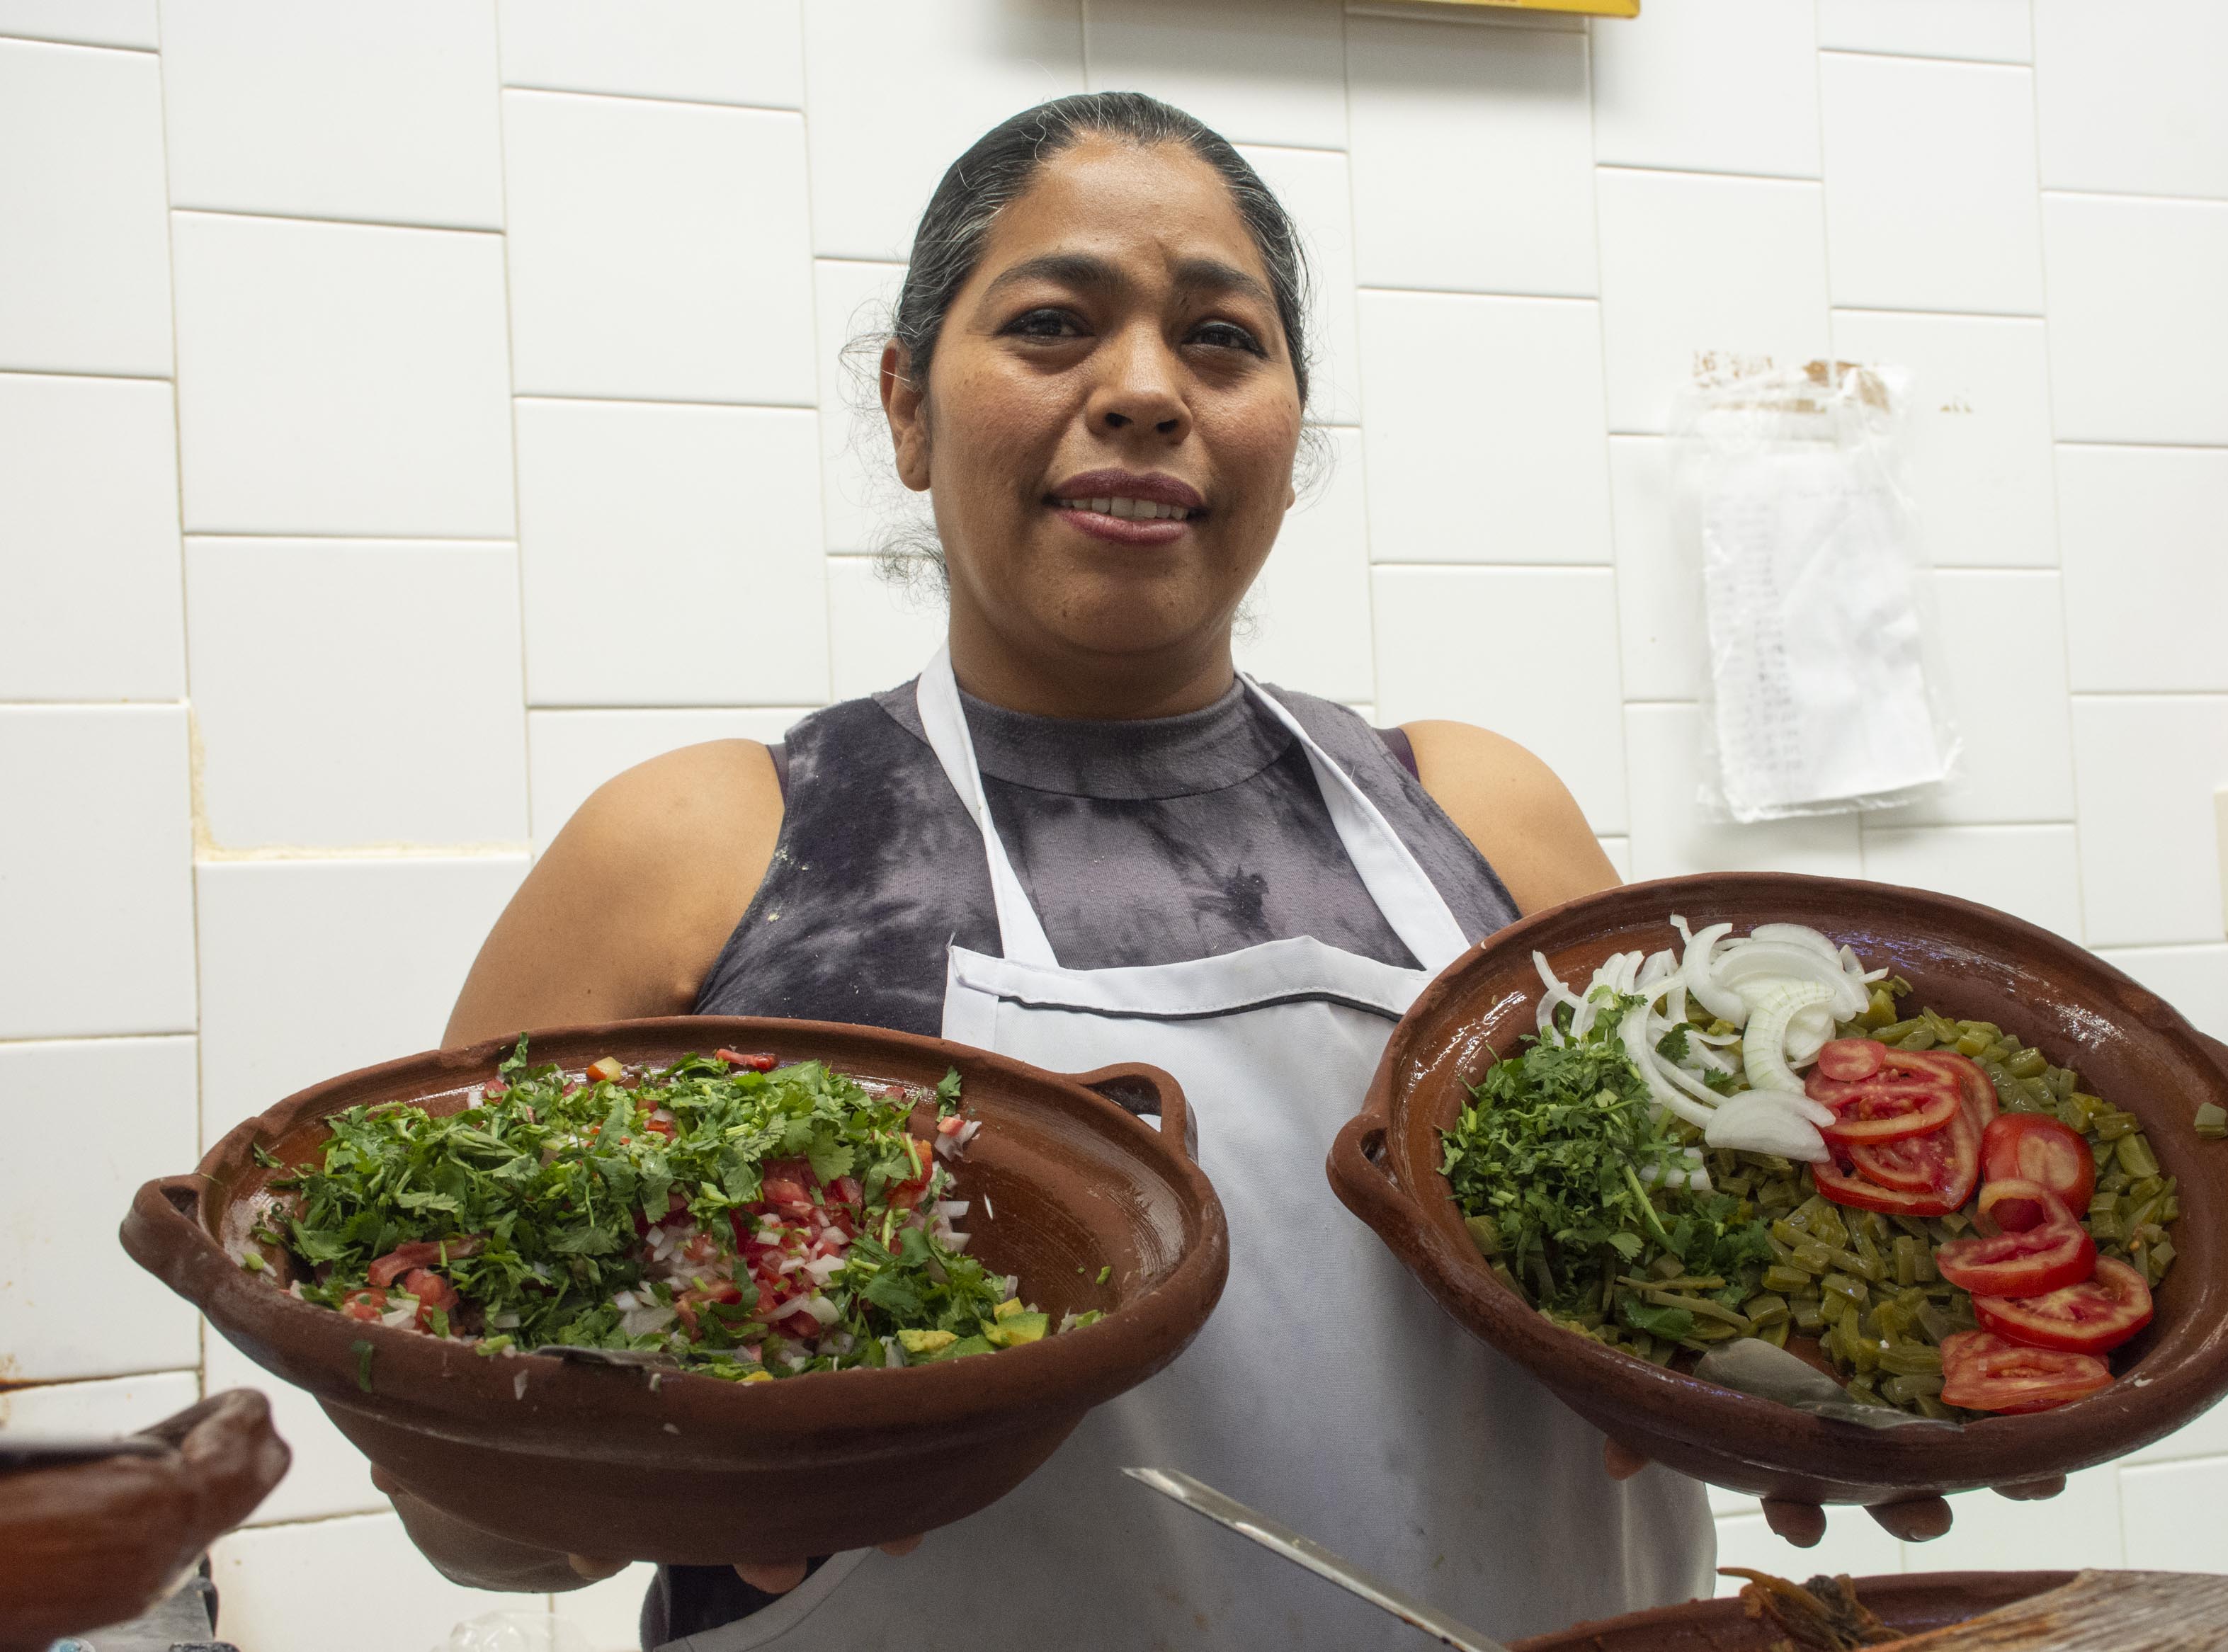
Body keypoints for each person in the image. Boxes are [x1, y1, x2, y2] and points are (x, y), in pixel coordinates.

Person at [384, 92, 1714, 1651]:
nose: (1145, 389)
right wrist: (651, 1476)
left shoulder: (1483, 813)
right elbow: (459, 1513)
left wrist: (1853, 1402)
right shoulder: (700, 846)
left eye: (1222, 340)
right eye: (1052, 324)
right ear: (905, 408)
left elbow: (1697, 1286)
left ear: (1290, 423)